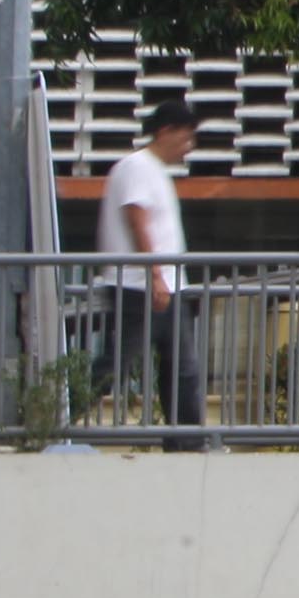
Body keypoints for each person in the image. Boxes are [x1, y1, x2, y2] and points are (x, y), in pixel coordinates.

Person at [100, 97, 208, 444]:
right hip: (140, 287)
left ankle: (187, 441)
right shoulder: (137, 167)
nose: (189, 146)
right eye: (185, 136)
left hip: (163, 286)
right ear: (165, 131)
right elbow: (138, 218)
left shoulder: (155, 172)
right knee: (116, 364)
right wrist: (155, 274)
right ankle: (53, 420)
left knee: (182, 369)